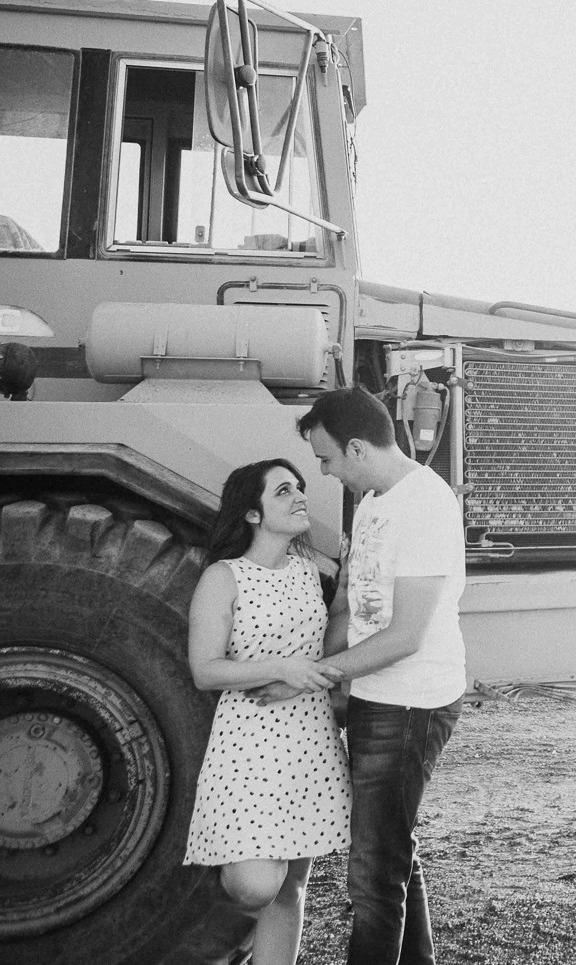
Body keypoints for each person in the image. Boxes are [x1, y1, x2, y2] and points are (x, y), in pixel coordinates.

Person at [296, 386, 467, 965]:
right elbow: (351, 604)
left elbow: (405, 636)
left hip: (413, 703)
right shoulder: (372, 500)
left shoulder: (426, 503)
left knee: (372, 873)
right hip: (376, 696)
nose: (325, 472)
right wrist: (330, 665)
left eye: (327, 459)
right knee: (389, 849)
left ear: (357, 448)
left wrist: (313, 675)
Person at [184, 459, 351, 965]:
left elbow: (323, 649)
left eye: (299, 487)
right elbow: (205, 670)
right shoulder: (223, 577)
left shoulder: (306, 571)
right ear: (252, 513)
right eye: (283, 491)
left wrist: (347, 592)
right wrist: (281, 668)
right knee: (255, 883)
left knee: (290, 889)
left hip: (310, 736)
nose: (300, 496)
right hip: (250, 740)